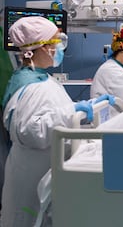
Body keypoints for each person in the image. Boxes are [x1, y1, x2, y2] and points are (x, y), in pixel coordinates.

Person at [0, 16, 114, 227]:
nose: (60, 47)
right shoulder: (31, 86)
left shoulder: (43, 80)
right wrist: (73, 112)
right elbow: (29, 131)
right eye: (57, 42)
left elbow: (52, 111)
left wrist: (87, 106)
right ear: (41, 47)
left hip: (42, 170)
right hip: (31, 179)